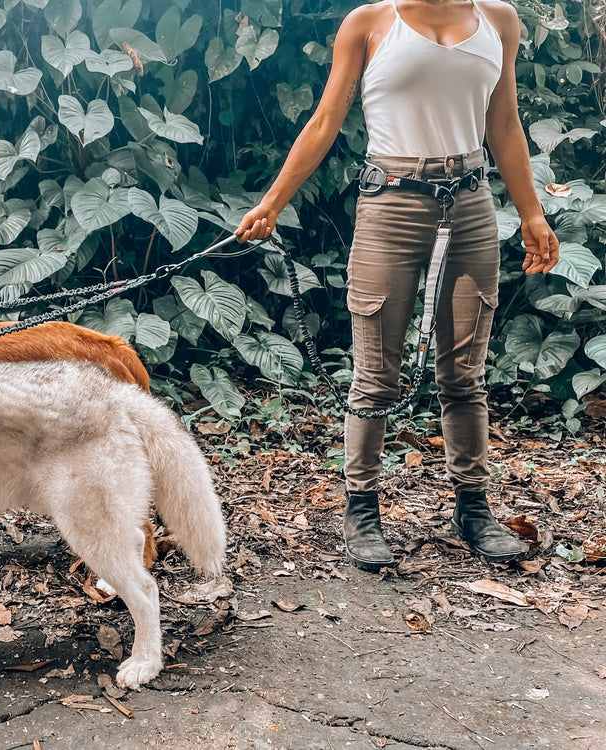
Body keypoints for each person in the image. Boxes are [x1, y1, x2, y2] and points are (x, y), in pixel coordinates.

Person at [235, 0, 560, 569]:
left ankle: (473, 508)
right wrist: (272, 203)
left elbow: (504, 122)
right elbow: (325, 120)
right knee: (375, 374)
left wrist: (531, 213)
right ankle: (361, 509)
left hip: (472, 206)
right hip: (391, 205)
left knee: (464, 373)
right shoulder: (370, 22)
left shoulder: (499, 20)